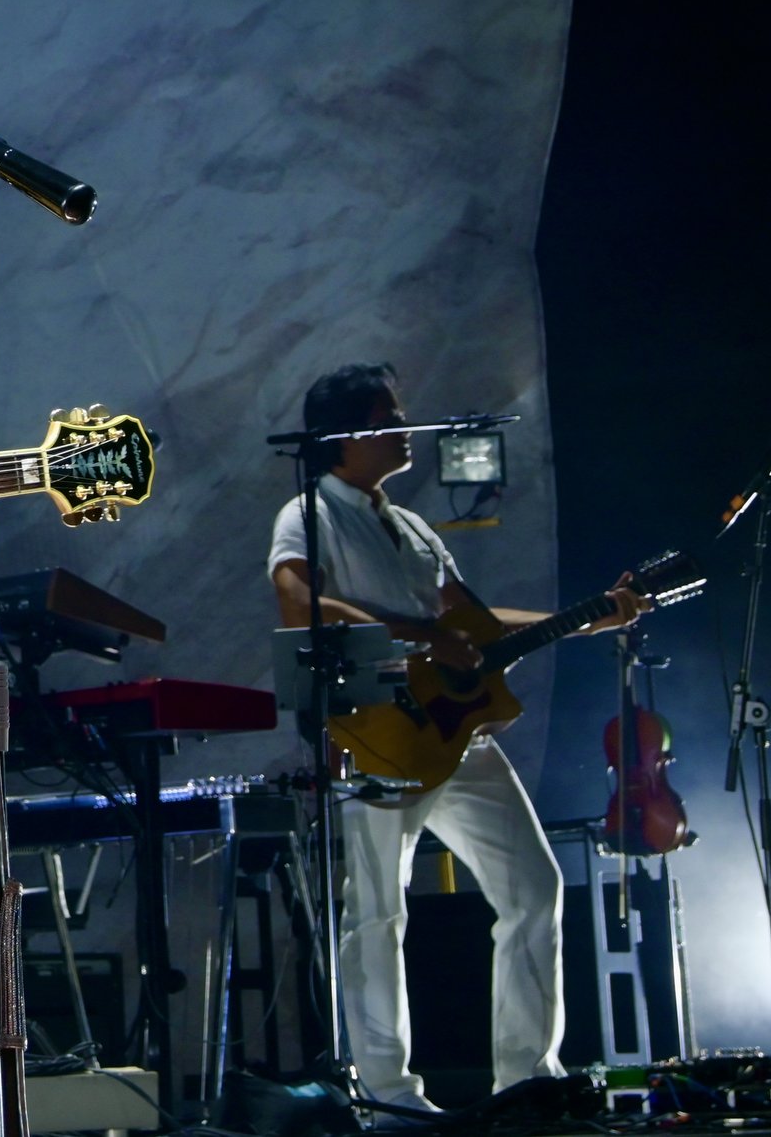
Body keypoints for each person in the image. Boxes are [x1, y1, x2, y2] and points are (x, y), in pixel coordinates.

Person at [267, 362, 648, 1115]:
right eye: (390, 418)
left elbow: (471, 625)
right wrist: (419, 636)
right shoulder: (308, 511)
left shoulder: (409, 525)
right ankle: (389, 1095)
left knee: (534, 886)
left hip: (455, 738)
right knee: (378, 912)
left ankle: (527, 1078)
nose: (406, 428)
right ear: (347, 435)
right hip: (379, 736)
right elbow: (297, 599)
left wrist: (588, 618)